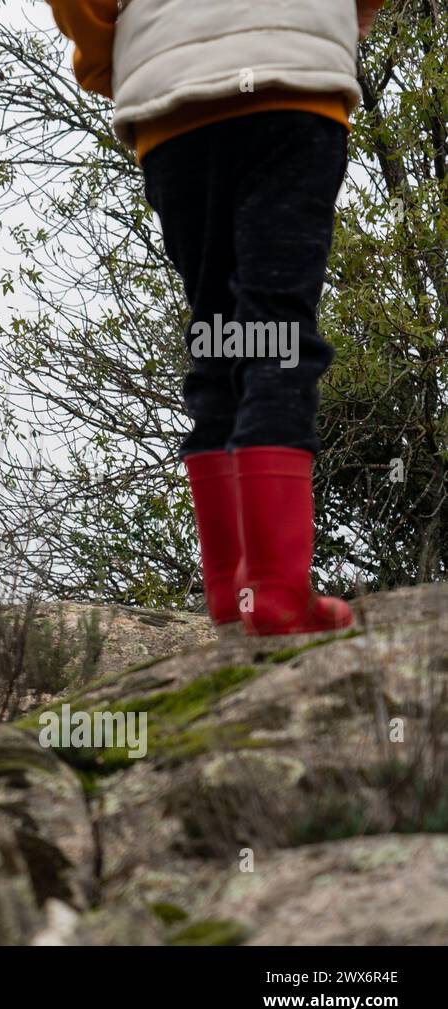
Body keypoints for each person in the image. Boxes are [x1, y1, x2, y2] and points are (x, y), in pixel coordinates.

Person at [49, 0, 386, 636]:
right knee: (277, 329)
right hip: (294, 76)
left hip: (176, 104)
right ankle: (276, 590)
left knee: (218, 329)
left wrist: (105, 59)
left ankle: (235, 594)